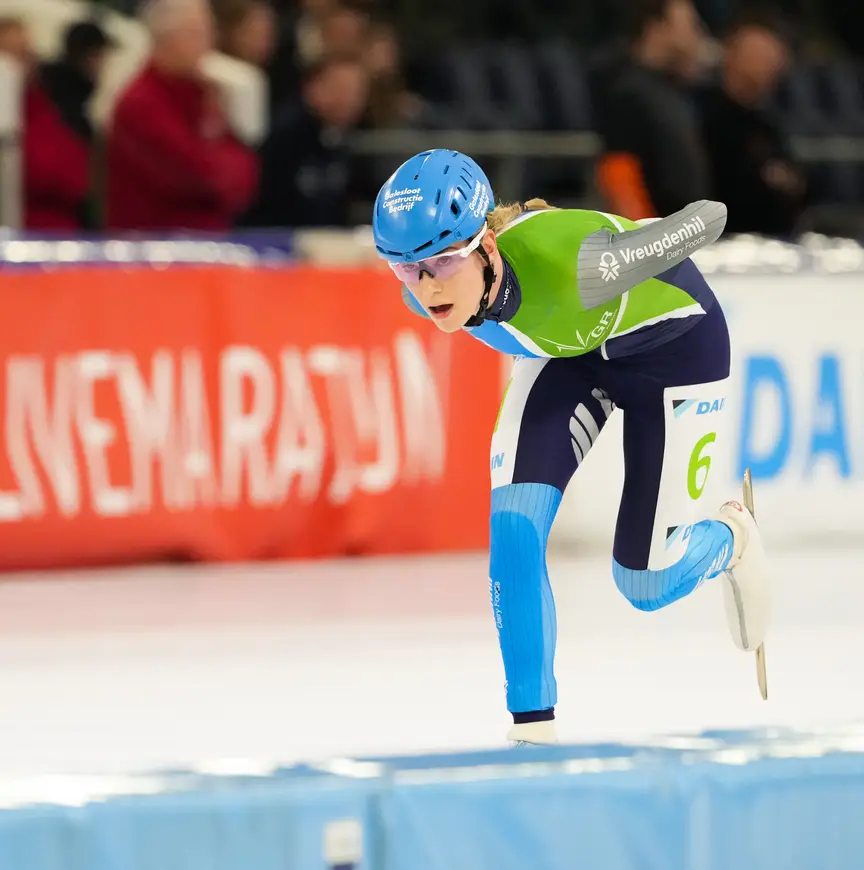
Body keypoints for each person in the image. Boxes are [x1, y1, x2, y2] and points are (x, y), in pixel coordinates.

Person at [371, 149, 772, 746]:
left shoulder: (585, 268)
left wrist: (633, 247)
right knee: (513, 530)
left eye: (442, 262)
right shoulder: (431, 290)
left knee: (646, 583)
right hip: (572, 359)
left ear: (485, 246)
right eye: (407, 269)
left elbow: (708, 218)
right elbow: (459, 288)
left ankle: (732, 537)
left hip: (676, 352)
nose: (427, 287)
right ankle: (533, 734)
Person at [106, 0, 258, 231]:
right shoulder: (140, 104)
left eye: (209, 32)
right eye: (197, 33)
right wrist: (224, 170)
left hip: (208, 239)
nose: (208, 44)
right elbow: (195, 175)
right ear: (165, 39)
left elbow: (245, 168)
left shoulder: (204, 93)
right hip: (154, 248)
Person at [594, 0, 710, 221]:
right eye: (689, 25)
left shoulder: (671, 89)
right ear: (657, 27)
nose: (696, 35)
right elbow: (618, 171)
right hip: (657, 238)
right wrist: (643, 237)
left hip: (683, 230)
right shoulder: (628, 89)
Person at [699, 12, 806, 237]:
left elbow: (797, 184)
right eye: (759, 55)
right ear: (732, 54)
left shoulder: (769, 123)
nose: (769, 64)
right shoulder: (704, 115)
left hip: (776, 240)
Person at [241, 52, 368, 228]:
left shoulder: (343, 138)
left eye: (356, 92)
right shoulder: (282, 137)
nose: (349, 100)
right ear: (312, 87)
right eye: (340, 89)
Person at [0, 17, 91, 231]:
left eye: (26, 54)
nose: (19, 67)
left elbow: (77, 175)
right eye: (11, 55)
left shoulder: (43, 105)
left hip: (55, 235)